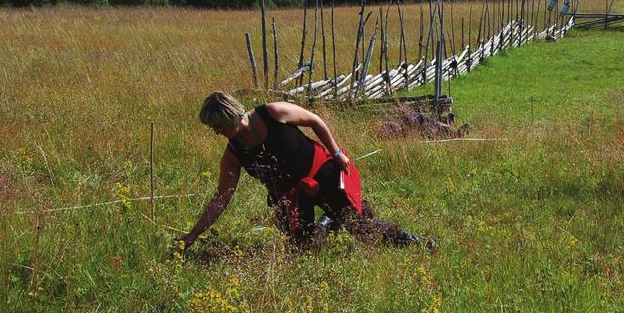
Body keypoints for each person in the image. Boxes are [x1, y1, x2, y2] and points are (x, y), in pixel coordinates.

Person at [178, 91, 433, 251]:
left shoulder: (272, 112)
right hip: (290, 198)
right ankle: (326, 223)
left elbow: (314, 120)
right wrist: (193, 234)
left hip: (324, 174)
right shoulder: (234, 152)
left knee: (362, 230)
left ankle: (413, 241)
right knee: (302, 250)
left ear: (231, 115)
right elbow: (221, 198)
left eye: (218, 125)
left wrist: (336, 153)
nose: (216, 132)